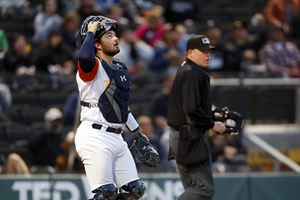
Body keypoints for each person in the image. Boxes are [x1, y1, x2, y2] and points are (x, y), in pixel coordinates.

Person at [75, 15, 158, 200]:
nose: (116, 38)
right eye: (109, 36)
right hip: (95, 135)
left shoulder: (120, 67)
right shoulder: (92, 66)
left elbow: (121, 107)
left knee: (134, 191)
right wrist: (90, 32)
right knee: (106, 194)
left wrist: (138, 134)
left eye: (115, 35)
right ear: (97, 44)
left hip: (118, 138)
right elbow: (84, 56)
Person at [167, 34, 226, 200]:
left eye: (209, 52)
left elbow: (187, 108)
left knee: (194, 189)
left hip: (181, 136)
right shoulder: (193, 72)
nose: (207, 55)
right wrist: (211, 124)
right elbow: (191, 108)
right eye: (203, 51)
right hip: (189, 138)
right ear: (190, 52)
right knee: (203, 189)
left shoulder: (186, 70)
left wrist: (212, 115)